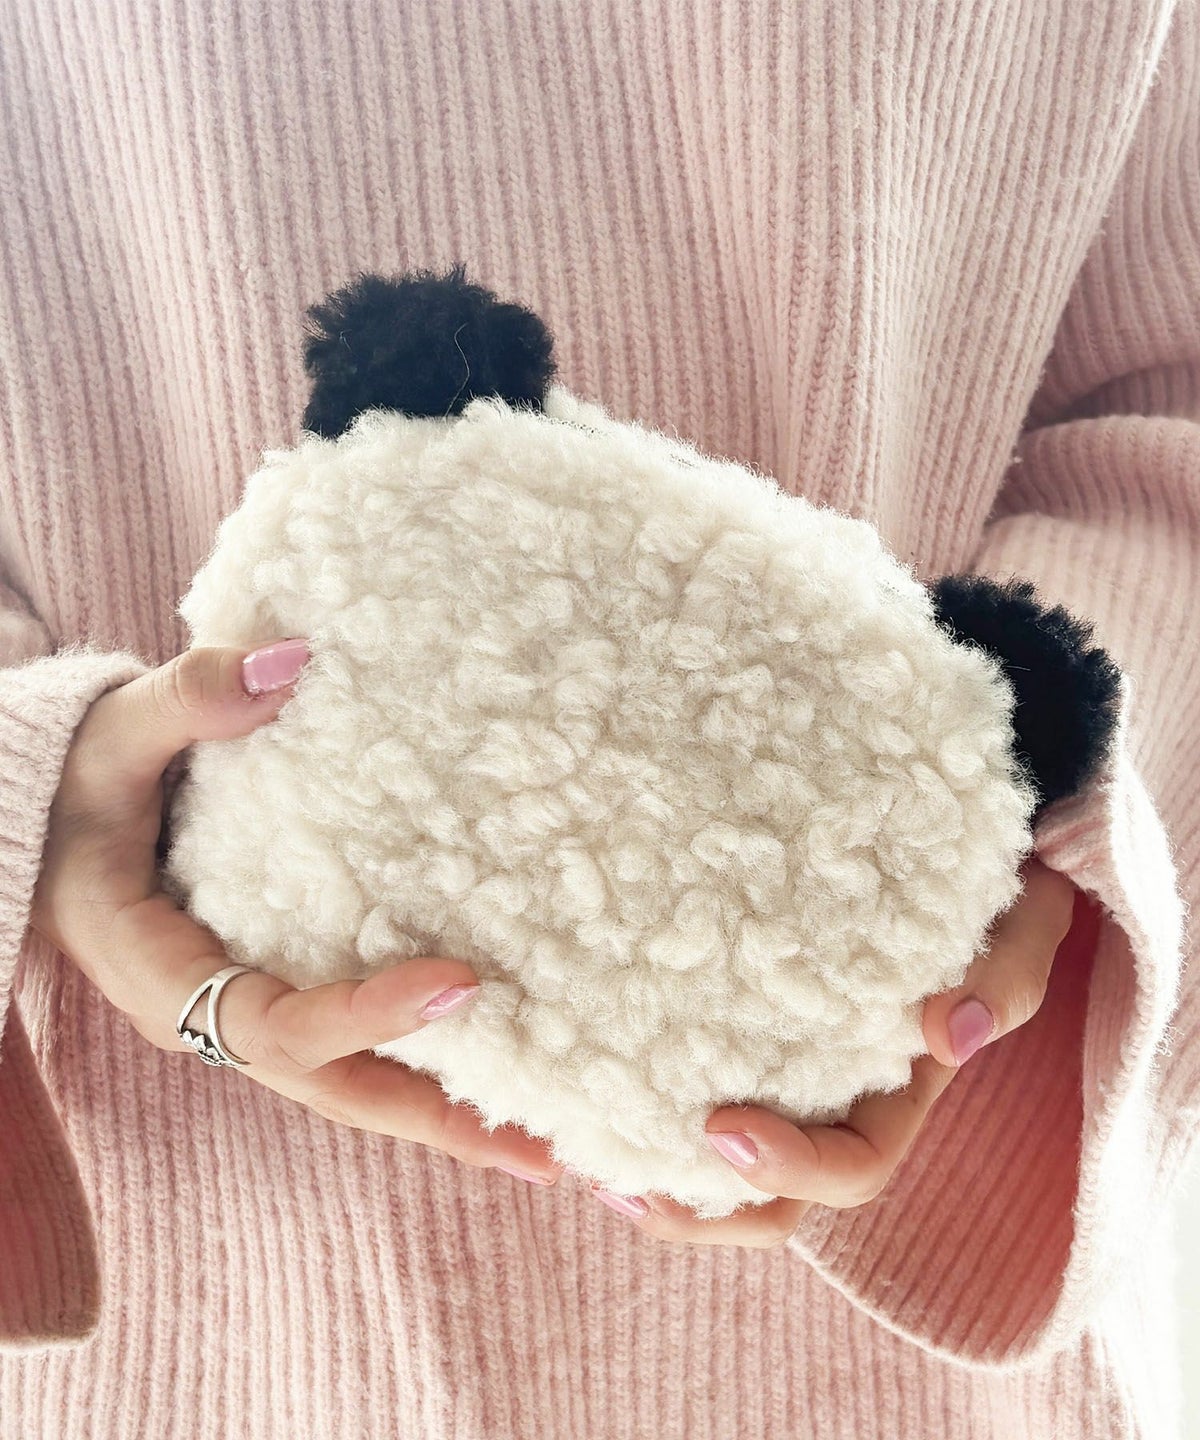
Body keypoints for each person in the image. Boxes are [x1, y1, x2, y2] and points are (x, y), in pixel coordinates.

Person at [0, 1, 1196, 1435]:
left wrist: (1035, 814)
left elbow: (1166, 383)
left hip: (869, 1194)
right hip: (184, 1233)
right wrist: (36, 786)